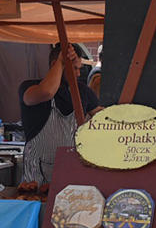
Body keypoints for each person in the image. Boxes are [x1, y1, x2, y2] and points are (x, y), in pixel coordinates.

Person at [19, 43, 102, 184]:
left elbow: (102, 117)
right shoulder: (30, 87)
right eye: (74, 68)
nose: (78, 74)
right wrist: (61, 61)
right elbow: (47, 92)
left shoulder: (83, 92)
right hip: (36, 178)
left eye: (79, 69)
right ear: (54, 64)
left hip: (72, 172)